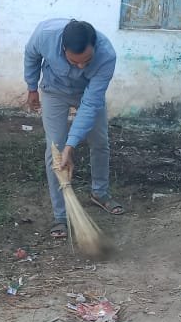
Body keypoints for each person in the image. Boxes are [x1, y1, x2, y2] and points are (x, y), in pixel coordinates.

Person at [23, 19, 123, 239]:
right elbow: (31, 55)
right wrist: (32, 87)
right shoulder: (45, 35)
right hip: (53, 91)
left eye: (86, 61)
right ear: (62, 48)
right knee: (55, 151)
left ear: (94, 47)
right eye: (74, 61)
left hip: (87, 94)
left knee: (100, 142)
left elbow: (90, 104)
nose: (80, 67)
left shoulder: (107, 56)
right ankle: (60, 215)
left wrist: (72, 144)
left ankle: (100, 193)